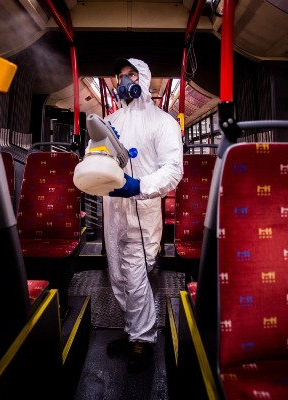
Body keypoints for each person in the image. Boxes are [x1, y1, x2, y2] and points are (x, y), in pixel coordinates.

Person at [102, 57, 183, 372]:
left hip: (143, 208)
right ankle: (132, 331)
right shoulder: (111, 121)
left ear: (145, 78)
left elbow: (173, 171)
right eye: (120, 76)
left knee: (136, 276)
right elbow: (98, 156)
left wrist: (140, 185)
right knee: (118, 276)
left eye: (131, 75)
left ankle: (144, 340)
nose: (125, 81)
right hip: (114, 209)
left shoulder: (164, 123)